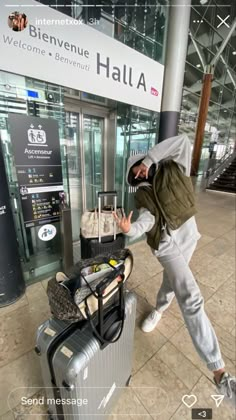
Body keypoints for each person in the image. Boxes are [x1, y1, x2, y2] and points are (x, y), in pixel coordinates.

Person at [113, 134, 236, 406]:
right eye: (134, 178)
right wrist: (128, 230)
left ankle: (159, 308)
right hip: (167, 247)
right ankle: (220, 373)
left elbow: (182, 141)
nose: (138, 177)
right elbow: (145, 223)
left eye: (137, 171)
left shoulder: (174, 166)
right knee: (191, 297)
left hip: (188, 237)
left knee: (171, 284)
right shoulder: (143, 197)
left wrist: (150, 158)